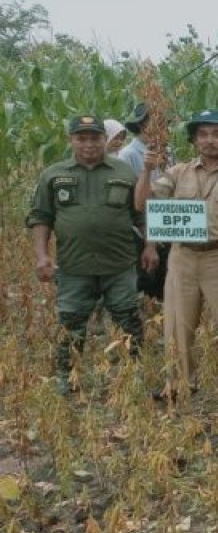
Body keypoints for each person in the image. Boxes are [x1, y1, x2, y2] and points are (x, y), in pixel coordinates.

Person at [137, 109, 218, 402]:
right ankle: (178, 384)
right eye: (203, 134)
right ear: (194, 140)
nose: (210, 140)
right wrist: (146, 170)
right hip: (183, 258)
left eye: (216, 134)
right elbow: (142, 203)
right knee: (177, 326)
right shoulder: (177, 174)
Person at [27, 115, 146, 394]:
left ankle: (133, 373)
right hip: (74, 266)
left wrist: (150, 247)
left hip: (119, 264)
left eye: (95, 138)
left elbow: (141, 214)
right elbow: (41, 217)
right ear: (72, 140)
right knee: (71, 322)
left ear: (105, 140)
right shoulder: (54, 175)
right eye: (82, 138)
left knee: (128, 318)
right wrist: (42, 256)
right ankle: (67, 377)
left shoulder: (124, 172)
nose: (89, 144)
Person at [118, 103, 173, 301]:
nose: (161, 128)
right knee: (145, 280)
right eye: (155, 123)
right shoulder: (129, 155)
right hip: (141, 230)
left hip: (167, 226)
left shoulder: (168, 152)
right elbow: (132, 202)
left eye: (163, 124)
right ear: (142, 126)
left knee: (165, 280)